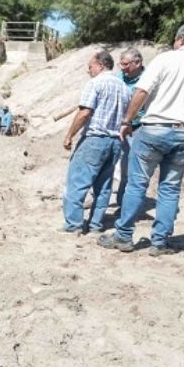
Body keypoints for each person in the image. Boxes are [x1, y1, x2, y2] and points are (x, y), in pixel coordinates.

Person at [98, 22, 184, 256]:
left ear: (181, 39)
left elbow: (142, 91)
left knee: (137, 184)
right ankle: (159, 242)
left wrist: (126, 120)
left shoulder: (165, 59)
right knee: (170, 189)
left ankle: (123, 236)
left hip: (153, 128)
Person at [61, 51, 131, 234]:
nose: (88, 71)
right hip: (115, 141)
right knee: (104, 186)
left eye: (90, 67)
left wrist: (69, 135)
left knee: (77, 183)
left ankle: (73, 226)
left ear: (100, 65)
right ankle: (95, 225)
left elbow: (84, 113)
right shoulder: (124, 87)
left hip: (95, 139)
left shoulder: (95, 84)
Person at [115, 49, 145, 208]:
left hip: (138, 129)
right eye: (121, 64)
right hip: (118, 127)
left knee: (131, 167)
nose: (122, 67)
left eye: (125, 64)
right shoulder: (118, 78)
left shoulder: (148, 79)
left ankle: (125, 204)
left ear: (138, 63)